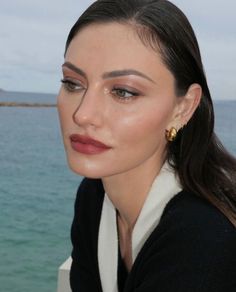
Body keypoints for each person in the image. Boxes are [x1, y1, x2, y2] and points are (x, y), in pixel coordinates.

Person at [57, 0, 236, 291]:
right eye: (73, 83)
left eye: (124, 92)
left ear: (183, 108)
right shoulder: (95, 195)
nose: (83, 114)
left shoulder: (206, 240)